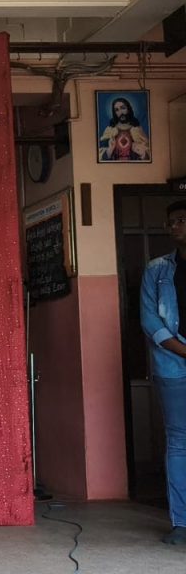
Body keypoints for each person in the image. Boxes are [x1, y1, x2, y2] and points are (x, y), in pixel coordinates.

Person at [140, 200, 186, 545]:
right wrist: (183, 350)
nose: (174, 226)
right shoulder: (157, 269)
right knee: (179, 442)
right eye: (171, 222)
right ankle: (181, 524)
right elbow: (150, 320)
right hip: (173, 364)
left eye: (181, 220)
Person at [99, 96, 150, 161]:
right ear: (114, 113)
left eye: (123, 108)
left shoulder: (137, 129)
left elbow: (148, 152)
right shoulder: (110, 129)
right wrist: (109, 150)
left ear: (128, 109)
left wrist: (142, 153)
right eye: (117, 110)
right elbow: (100, 153)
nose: (120, 112)